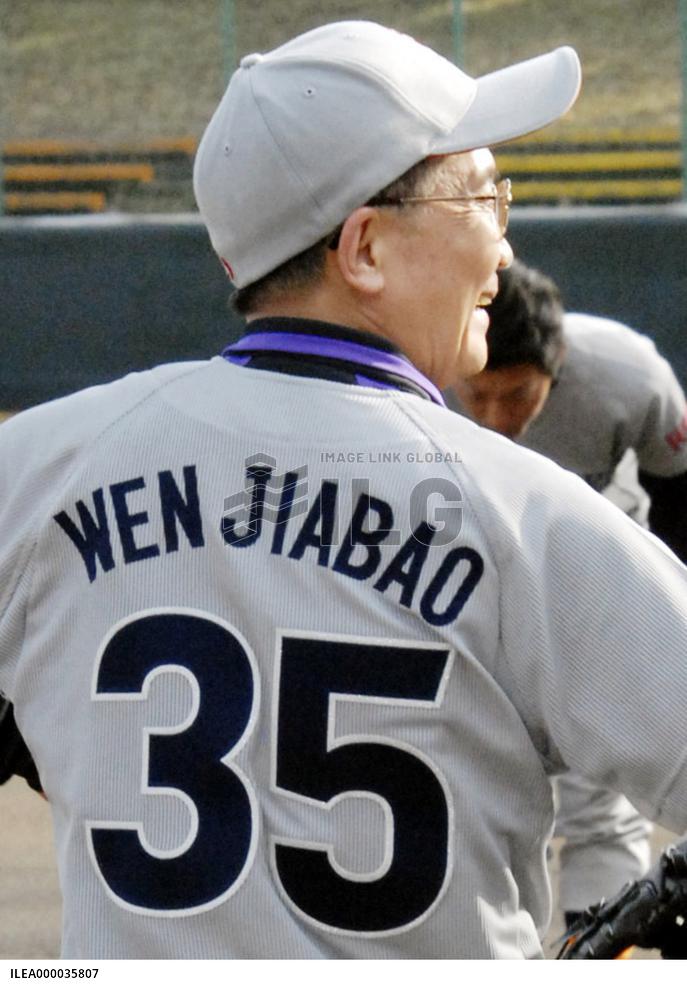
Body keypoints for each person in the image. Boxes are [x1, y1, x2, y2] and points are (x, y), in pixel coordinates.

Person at [1, 20, 687, 961]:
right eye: (481, 190)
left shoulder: (36, 469)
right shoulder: (523, 509)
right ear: (363, 248)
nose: (501, 236)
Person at [446, 259, 687, 927]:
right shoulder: (422, 379)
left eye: (516, 392)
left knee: (597, 810)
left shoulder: (627, 374)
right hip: (471, 590)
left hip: (595, 593)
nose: (494, 416)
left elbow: (677, 495)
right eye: (479, 393)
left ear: (557, 364)